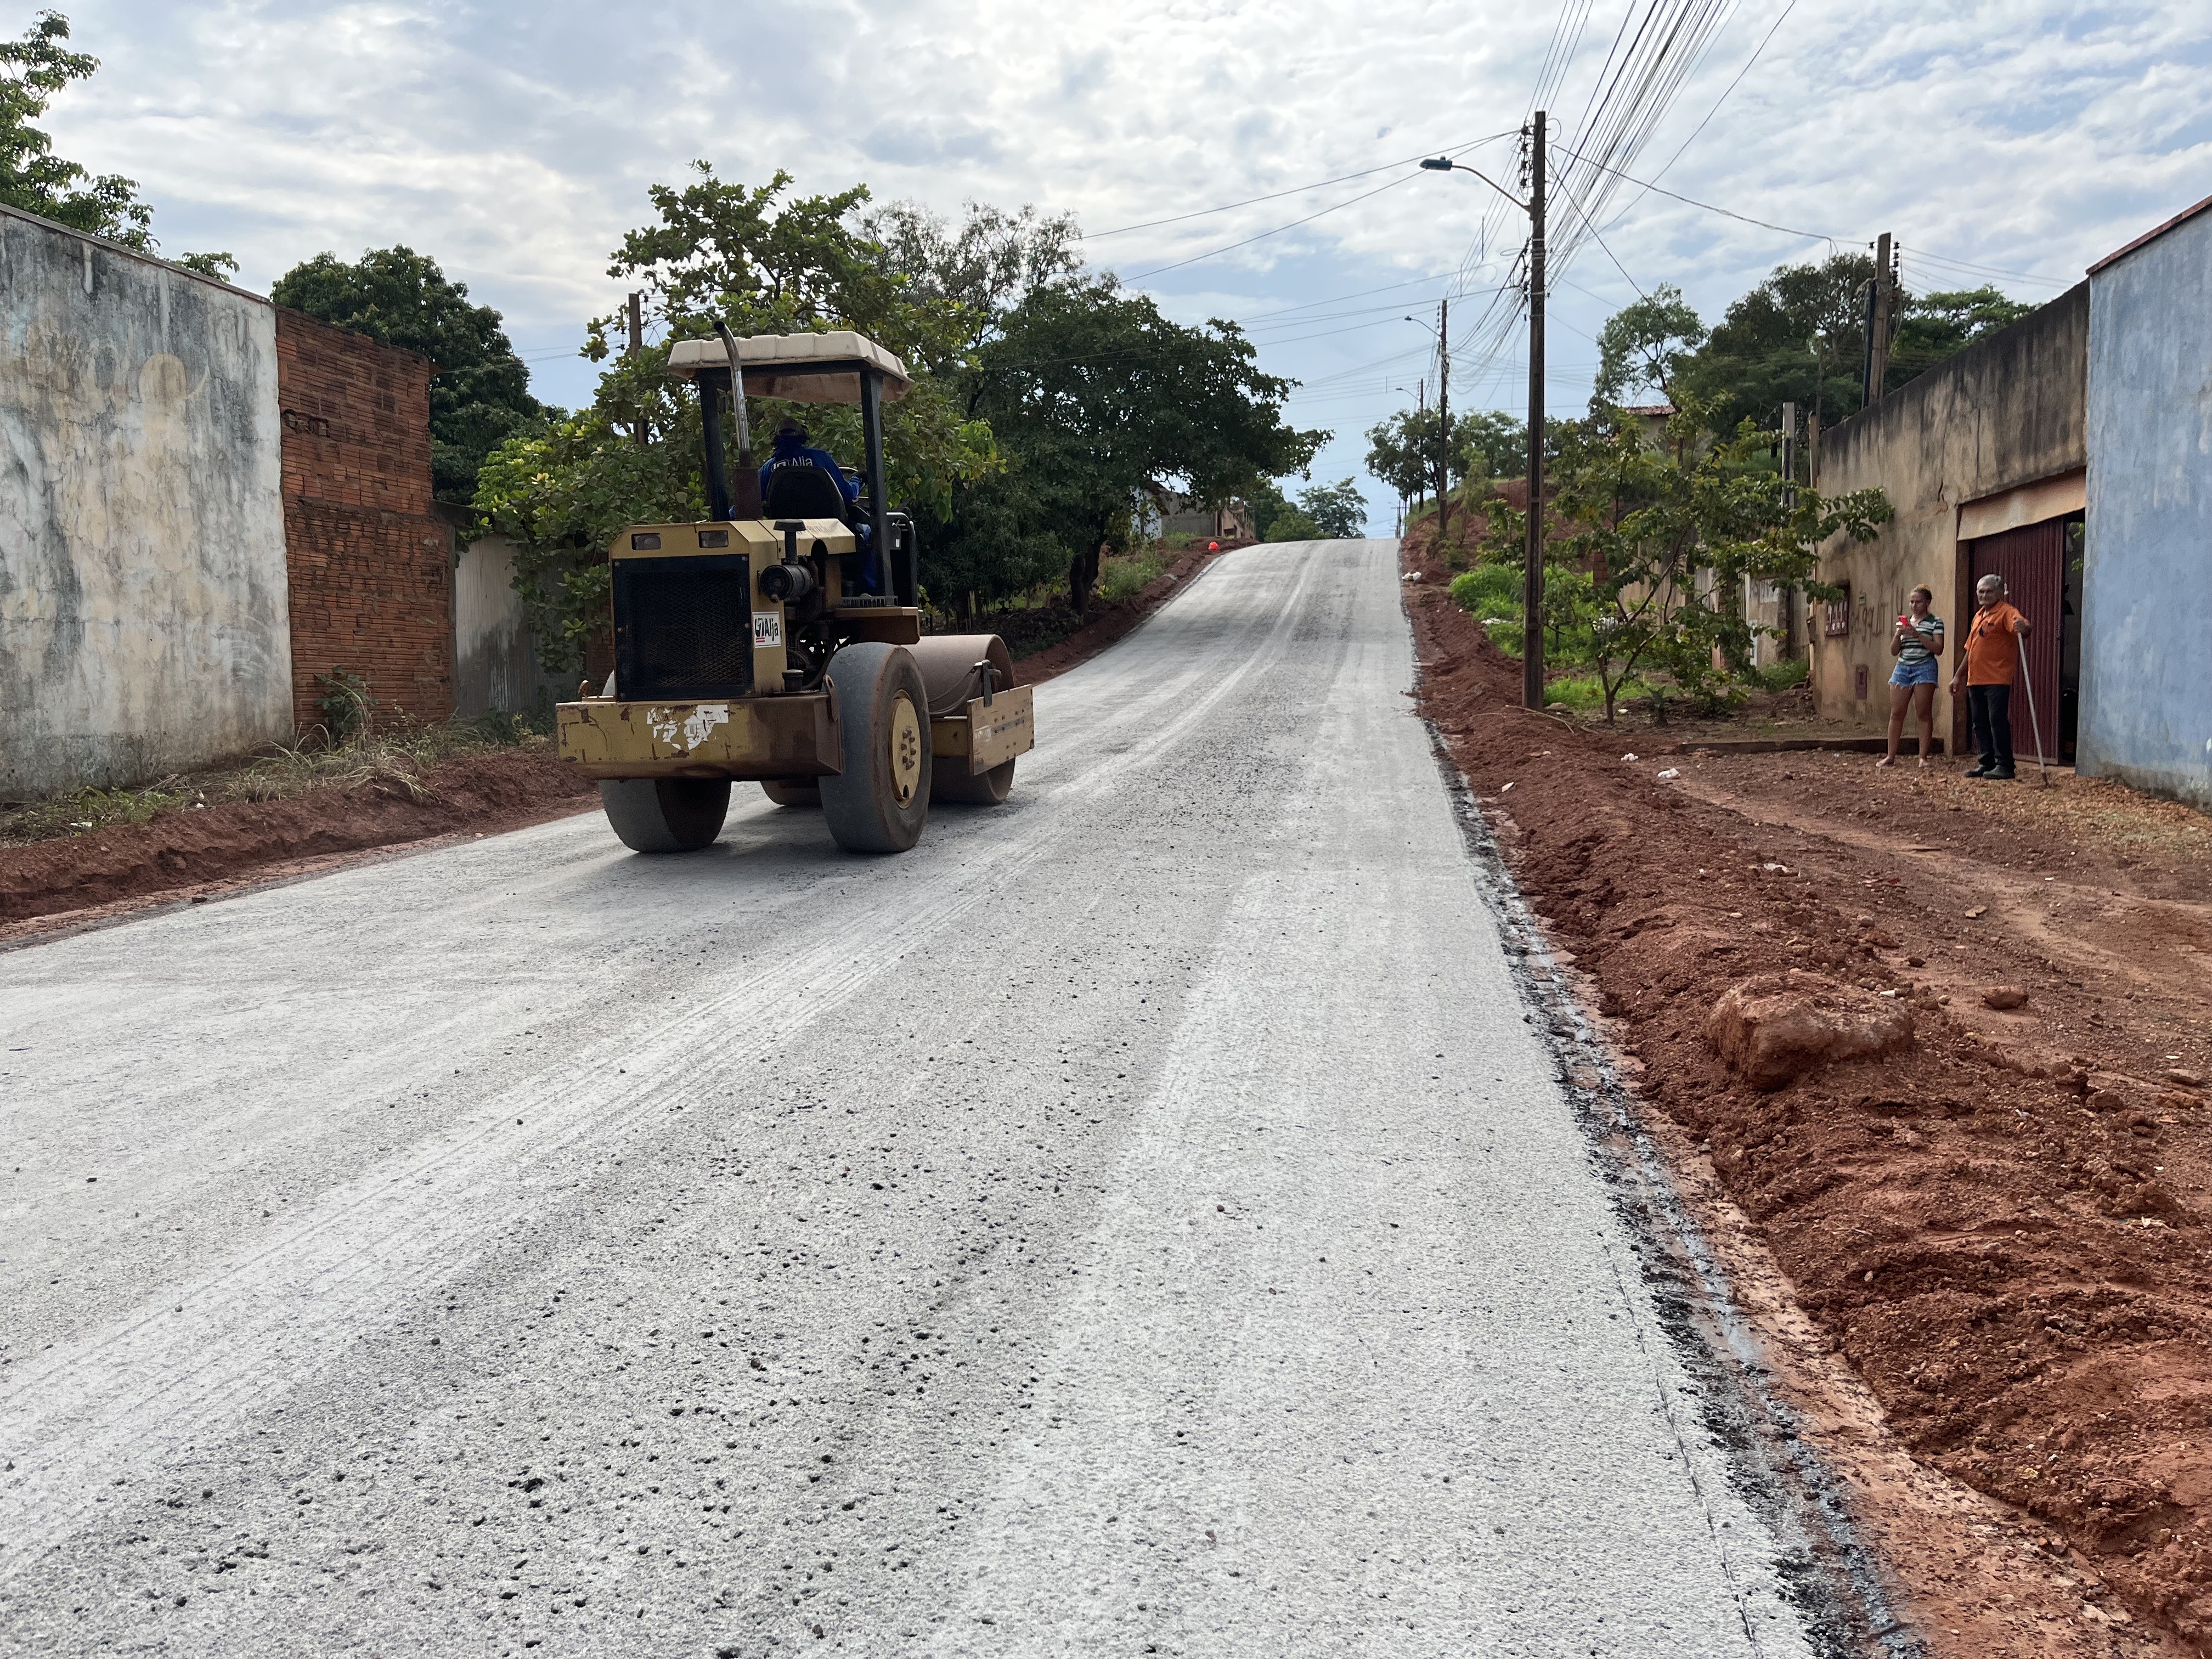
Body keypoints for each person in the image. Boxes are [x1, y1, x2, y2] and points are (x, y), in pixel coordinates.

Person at [1951, 572, 2032, 780]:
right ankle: (1985, 763)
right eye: (1981, 591)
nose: (1984, 595)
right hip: (1975, 679)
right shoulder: (1979, 616)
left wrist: (2025, 628)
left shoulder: (2006, 612)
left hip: (1997, 678)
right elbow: (1970, 649)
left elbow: (2022, 626)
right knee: (1980, 723)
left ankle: (2005, 765)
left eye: (1989, 591)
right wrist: (1958, 676)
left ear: (1999, 592)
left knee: (1997, 721)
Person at [1878, 585, 1944, 768]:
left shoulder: (1935, 622)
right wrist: (1898, 634)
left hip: (1925, 667)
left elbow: (1938, 649)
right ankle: (1890, 756)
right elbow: (1893, 651)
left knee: (1923, 713)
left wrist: (1917, 635)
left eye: (1918, 602)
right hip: (1903, 667)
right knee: (1897, 713)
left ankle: (1923, 757)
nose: (1914, 605)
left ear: (1927, 603)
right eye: (1912, 602)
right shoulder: (1904, 622)